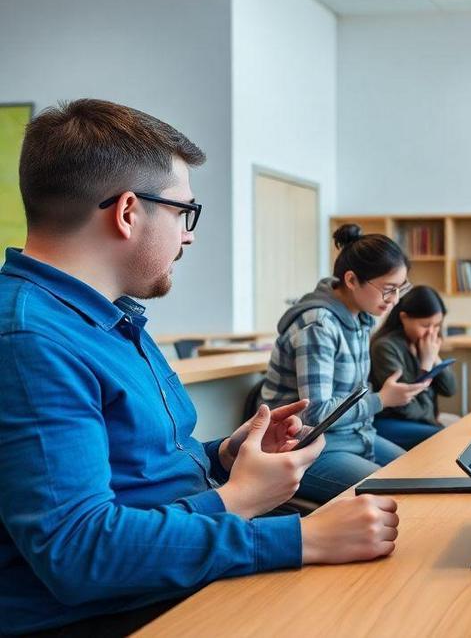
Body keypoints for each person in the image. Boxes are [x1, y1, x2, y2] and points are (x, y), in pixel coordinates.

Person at [0, 99, 400, 636]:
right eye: (183, 212)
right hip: (115, 611)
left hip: (172, 571)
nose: (188, 234)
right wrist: (288, 530)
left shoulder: (109, 318)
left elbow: (144, 468)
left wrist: (228, 456)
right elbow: (79, 553)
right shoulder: (31, 338)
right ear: (127, 212)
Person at [261, 224, 430, 504]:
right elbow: (316, 415)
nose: (394, 300)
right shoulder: (319, 325)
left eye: (400, 289)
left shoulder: (359, 318)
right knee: (402, 495)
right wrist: (382, 400)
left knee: (419, 475)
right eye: (388, 289)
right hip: (308, 446)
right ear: (351, 280)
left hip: (355, 436)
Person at [369, 285, 459, 450]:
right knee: (444, 436)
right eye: (425, 325)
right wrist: (425, 364)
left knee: (457, 431)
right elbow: (407, 408)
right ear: (403, 318)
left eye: (437, 325)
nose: (431, 332)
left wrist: (435, 358)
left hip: (419, 421)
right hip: (390, 422)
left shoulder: (424, 344)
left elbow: (450, 389)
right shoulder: (385, 347)